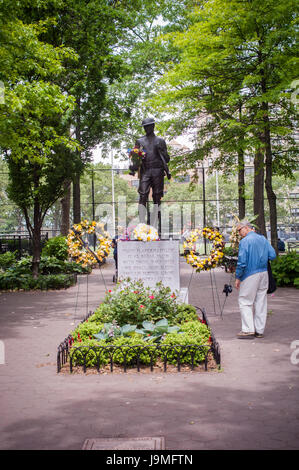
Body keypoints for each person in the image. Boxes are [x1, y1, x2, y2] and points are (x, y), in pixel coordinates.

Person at [234, 221, 276, 339]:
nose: (239, 233)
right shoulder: (262, 239)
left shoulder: (245, 241)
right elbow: (272, 255)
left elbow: (242, 262)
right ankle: (259, 330)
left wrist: (238, 277)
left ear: (246, 228)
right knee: (261, 302)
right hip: (264, 273)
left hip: (250, 274)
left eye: (239, 230)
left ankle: (248, 329)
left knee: (245, 301)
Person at [129, 117, 170, 229]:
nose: (147, 128)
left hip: (158, 171)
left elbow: (167, 159)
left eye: (149, 126)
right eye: (145, 127)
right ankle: (142, 224)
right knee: (143, 195)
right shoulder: (140, 141)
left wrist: (162, 151)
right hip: (145, 171)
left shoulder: (160, 141)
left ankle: (156, 224)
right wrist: (133, 167)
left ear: (153, 126)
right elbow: (136, 159)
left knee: (157, 197)